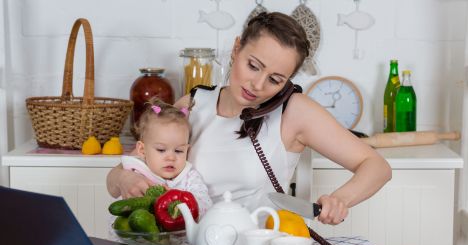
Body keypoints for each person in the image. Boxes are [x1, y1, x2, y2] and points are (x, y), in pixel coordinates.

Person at [107, 12, 391, 225]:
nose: (257, 85)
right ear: (236, 48)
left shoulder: (294, 111)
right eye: (253, 66)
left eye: (275, 79)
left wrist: (340, 199)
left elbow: (376, 166)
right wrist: (122, 177)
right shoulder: (193, 103)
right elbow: (120, 174)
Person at [117, 100, 212, 216]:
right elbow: (120, 213)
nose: (171, 157)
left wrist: (177, 200)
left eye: (178, 151)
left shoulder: (189, 178)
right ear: (142, 150)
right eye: (161, 150)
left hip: (181, 233)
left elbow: (206, 207)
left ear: (187, 150)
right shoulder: (136, 173)